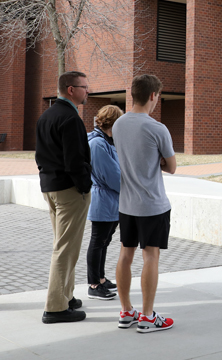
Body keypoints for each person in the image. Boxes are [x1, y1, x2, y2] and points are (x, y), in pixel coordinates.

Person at [112, 74, 177, 333]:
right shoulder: (157, 128)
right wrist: (159, 160)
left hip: (126, 204)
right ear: (153, 96)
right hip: (152, 204)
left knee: (125, 255)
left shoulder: (118, 125)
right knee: (151, 256)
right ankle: (148, 316)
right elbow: (171, 166)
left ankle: (126, 311)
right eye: (158, 96)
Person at [36, 71, 93, 324]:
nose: (87, 91)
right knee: (66, 248)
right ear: (70, 89)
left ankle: (66, 296)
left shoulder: (46, 116)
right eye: (84, 87)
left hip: (50, 188)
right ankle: (56, 308)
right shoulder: (70, 118)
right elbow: (75, 161)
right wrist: (84, 187)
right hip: (70, 191)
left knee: (66, 246)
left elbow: (40, 156)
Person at [86, 105, 123, 301]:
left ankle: (100, 278)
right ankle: (94, 284)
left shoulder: (108, 141)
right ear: (114, 122)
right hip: (103, 200)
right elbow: (112, 176)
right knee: (98, 242)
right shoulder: (98, 144)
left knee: (104, 242)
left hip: (111, 201)